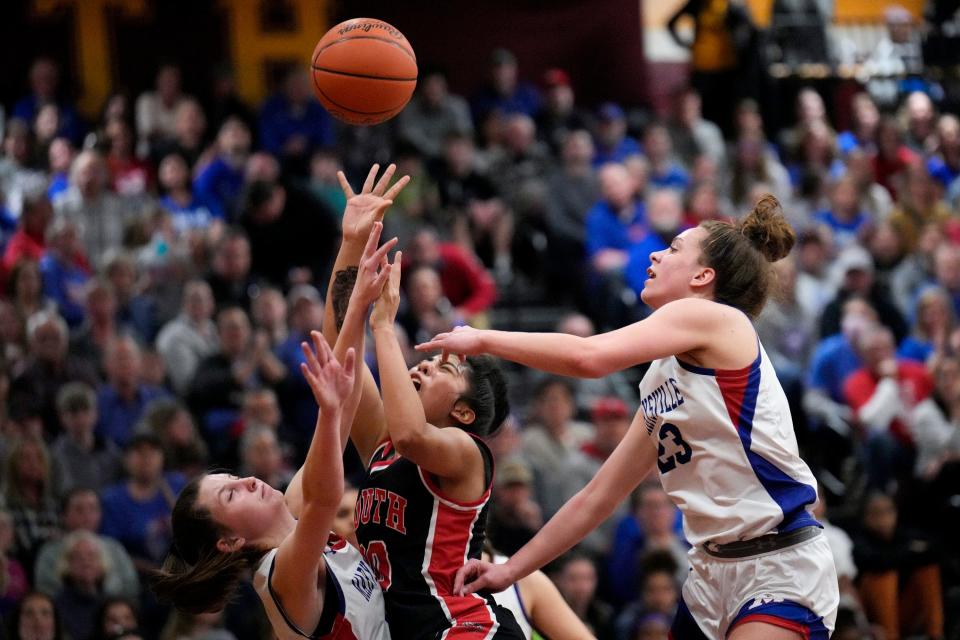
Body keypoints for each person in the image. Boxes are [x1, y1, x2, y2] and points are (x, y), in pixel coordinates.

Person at [419, 195, 840, 638]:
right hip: (710, 574)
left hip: (777, 563)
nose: (656, 253)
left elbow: (588, 357)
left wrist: (484, 338)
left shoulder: (718, 319)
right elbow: (597, 496)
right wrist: (511, 571)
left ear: (703, 276)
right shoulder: (662, 375)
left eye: (674, 248)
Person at [320, 165, 524, 639]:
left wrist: (385, 326)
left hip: (466, 629)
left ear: (464, 413)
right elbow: (339, 354)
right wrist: (351, 243)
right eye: (430, 361)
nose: (423, 365)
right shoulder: (383, 444)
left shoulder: (466, 453)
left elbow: (414, 435)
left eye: (444, 369)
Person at [151, 331, 391, 639]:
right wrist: (329, 412)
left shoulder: (293, 508)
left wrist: (358, 304)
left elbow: (345, 407)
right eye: (231, 494)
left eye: (235, 479)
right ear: (231, 540)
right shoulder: (281, 577)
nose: (248, 482)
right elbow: (325, 499)